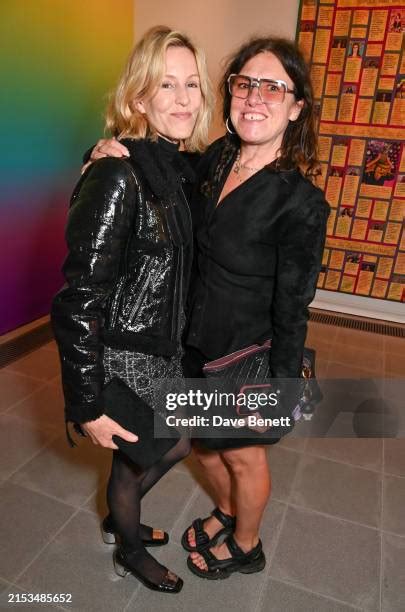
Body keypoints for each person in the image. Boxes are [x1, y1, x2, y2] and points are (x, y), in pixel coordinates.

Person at [89, 35, 329, 580]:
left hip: (246, 358)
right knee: (202, 448)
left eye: (273, 88)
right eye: (245, 84)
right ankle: (225, 511)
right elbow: (149, 167)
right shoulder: (215, 160)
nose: (255, 97)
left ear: (295, 108)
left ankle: (247, 544)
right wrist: (101, 152)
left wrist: (283, 386)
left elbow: (293, 305)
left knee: (244, 456)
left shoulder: (301, 202)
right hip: (190, 347)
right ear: (230, 94)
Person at [51, 25, 213, 594]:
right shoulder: (119, 172)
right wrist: (87, 404)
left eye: (192, 84)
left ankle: (119, 521)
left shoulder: (180, 167)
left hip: (162, 349)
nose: (184, 99)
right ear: (139, 97)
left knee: (177, 442)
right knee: (132, 462)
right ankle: (129, 548)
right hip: (124, 355)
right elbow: (77, 299)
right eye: (166, 85)